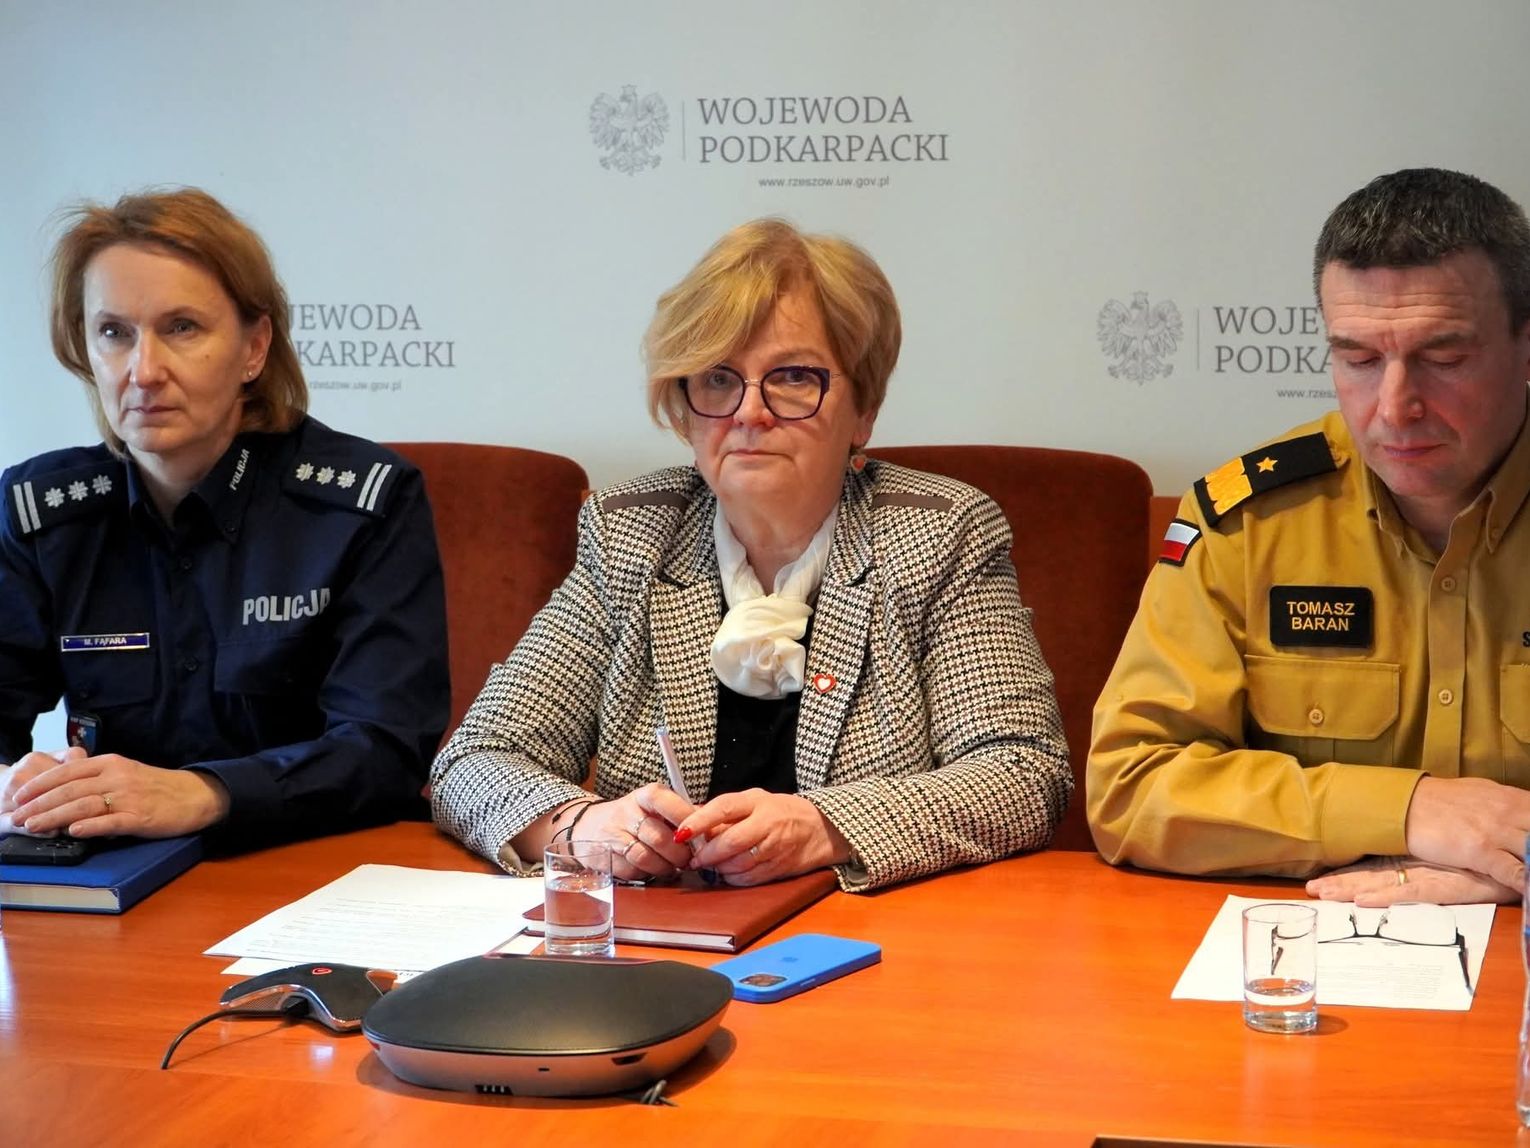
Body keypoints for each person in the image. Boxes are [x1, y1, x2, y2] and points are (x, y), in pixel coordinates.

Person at [431, 218, 1070, 890]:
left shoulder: (939, 536)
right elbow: (478, 757)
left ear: (864, 409)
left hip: (866, 930)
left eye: (792, 377)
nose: (749, 413)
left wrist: (823, 826)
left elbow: (1024, 773)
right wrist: (580, 826)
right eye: (718, 378)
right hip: (664, 931)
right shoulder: (631, 535)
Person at [1088, 168, 1530, 906]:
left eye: (1445, 360)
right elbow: (1131, 786)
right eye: (1359, 360)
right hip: (1312, 940)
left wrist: (1510, 865)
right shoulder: (1250, 522)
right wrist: (1410, 811)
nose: (1395, 406)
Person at [0, 188, 450, 850]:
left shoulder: (364, 503)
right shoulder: (40, 512)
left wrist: (203, 794)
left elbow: (386, 748)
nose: (143, 371)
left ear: (254, 348)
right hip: (114, 871)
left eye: (182, 327)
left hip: (311, 863)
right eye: (114, 333)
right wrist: (16, 787)